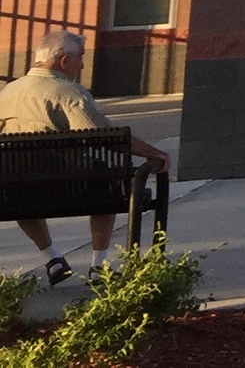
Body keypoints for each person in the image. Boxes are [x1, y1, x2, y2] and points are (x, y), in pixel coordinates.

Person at [0, 31, 168, 285]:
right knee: (109, 184)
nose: (83, 64)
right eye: (80, 57)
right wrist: (154, 154)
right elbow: (106, 138)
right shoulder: (69, 93)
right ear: (64, 61)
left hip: (17, 192)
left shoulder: (8, 92)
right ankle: (98, 265)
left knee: (18, 184)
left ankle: (53, 258)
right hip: (73, 189)